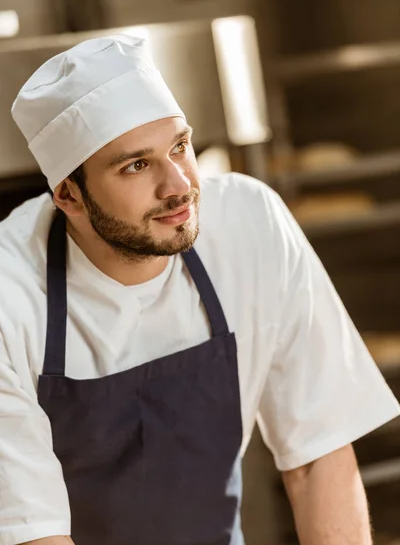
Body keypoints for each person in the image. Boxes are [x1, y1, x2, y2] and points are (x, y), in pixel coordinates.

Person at [0, 34, 398, 545]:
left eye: (180, 147)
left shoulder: (249, 224)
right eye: (136, 166)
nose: (178, 186)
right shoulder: (12, 295)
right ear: (69, 196)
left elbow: (317, 457)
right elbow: (34, 533)